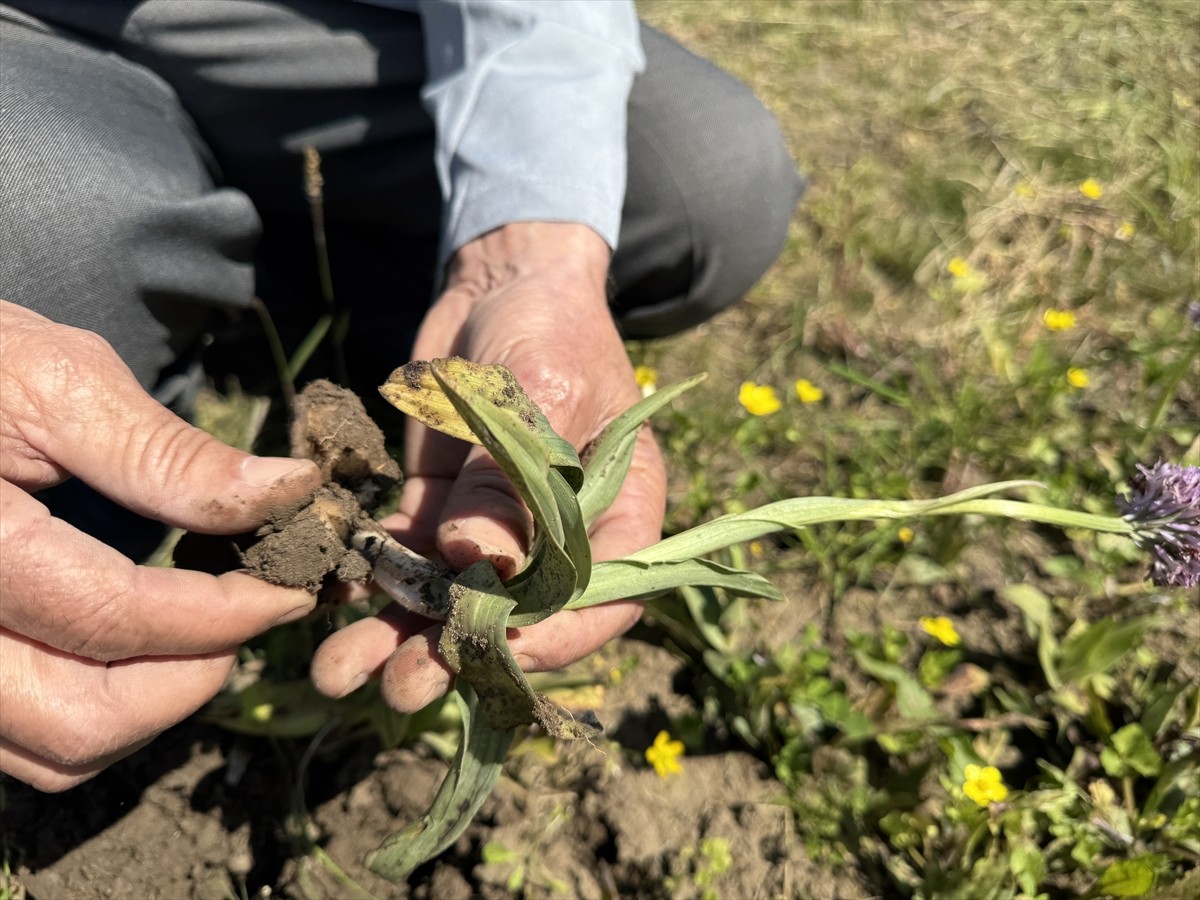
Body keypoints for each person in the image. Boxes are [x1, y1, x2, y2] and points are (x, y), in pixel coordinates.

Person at [0, 0, 802, 792]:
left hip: (320, 24)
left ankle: (261, 289)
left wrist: (526, 261)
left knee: (707, 187)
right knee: (47, 225)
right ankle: (171, 323)